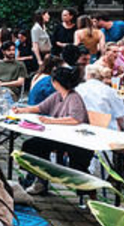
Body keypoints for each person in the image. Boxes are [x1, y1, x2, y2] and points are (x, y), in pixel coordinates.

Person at [14, 66, 91, 195]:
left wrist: (51, 121)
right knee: (31, 145)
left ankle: (44, 178)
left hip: (74, 140)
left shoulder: (74, 98)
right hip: (58, 136)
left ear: (56, 82)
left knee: (75, 160)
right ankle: (40, 178)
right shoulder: (57, 95)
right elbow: (40, 108)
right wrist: (22, 110)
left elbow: (75, 119)